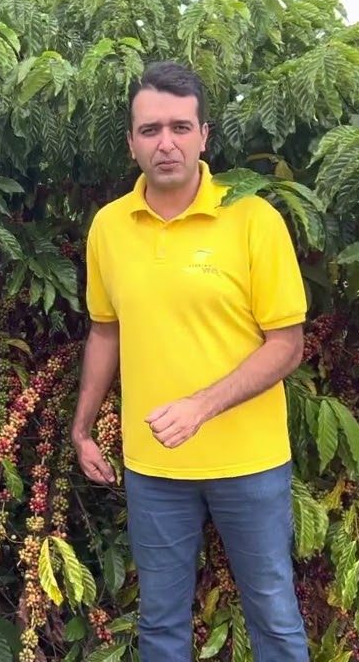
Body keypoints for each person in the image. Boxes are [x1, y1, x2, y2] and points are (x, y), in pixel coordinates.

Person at [70, 60, 310, 661]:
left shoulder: (253, 219)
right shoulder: (109, 228)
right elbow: (105, 332)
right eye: (150, 130)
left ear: (205, 135)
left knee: (274, 617)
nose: (166, 143)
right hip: (153, 466)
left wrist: (202, 406)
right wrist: (82, 428)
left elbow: (287, 344)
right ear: (131, 143)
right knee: (160, 624)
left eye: (181, 127)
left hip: (249, 463)